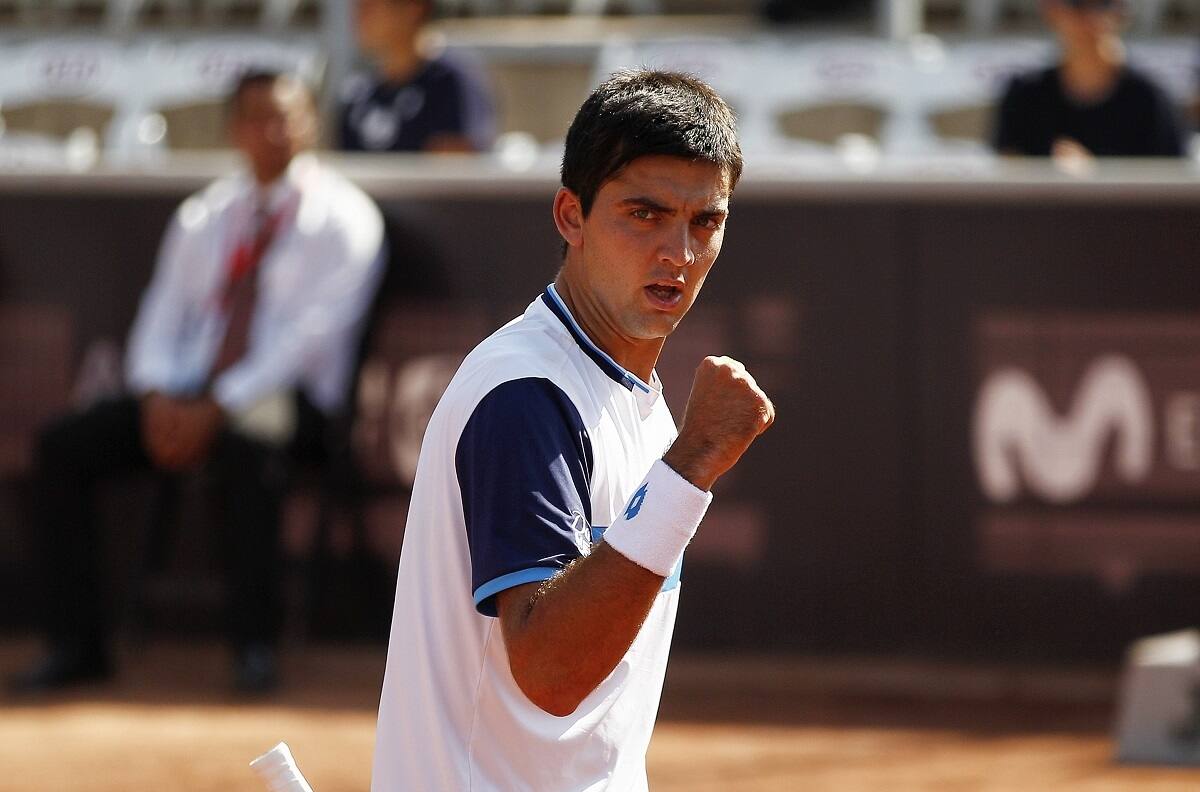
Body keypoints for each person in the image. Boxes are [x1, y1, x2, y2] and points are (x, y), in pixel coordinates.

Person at [371, 69, 774, 791]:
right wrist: (691, 465)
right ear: (571, 216)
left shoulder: (630, 398)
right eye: (644, 214)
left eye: (704, 222)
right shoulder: (525, 393)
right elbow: (552, 673)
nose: (679, 253)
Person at [10, 69, 385, 694]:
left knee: (247, 446)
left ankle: (254, 649)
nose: (271, 131)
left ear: (309, 124)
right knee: (62, 447)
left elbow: (307, 341)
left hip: (294, 407)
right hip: (185, 395)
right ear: (233, 129)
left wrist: (218, 405)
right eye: (256, 118)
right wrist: (156, 395)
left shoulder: (347, 218)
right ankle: (77, 647)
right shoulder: (204, 214)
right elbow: (162, 314)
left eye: (284, 116)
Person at [992, 0, 1187, 159]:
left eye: (1103, 3)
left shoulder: (1150, 99)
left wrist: (1092, 179)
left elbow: (1172, 183)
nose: (1091, 16)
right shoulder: (1024, 98)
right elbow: (1006, 176)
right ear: (1051, 9)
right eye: (1076, 3)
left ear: (1122, 9)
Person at [338, 0, 496, 153]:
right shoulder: (356, 93)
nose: (360, 15)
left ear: (413, 8)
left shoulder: (450, 82)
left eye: (371, 5)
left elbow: (457, 162)